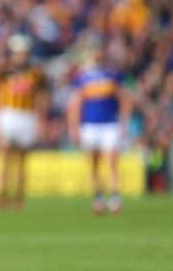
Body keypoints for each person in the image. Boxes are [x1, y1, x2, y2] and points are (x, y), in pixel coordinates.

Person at [67, 41, 133, 215]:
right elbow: (76, 104)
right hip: (89, 125)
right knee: (93, 163)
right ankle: (97, 197)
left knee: (111, 160)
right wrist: (74, 128)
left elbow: (125, 99)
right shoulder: (82, 77)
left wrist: (124, 123)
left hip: (109, 124)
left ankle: (114, 196)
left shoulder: (113, 75)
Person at [0, 34, 48, 211]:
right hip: (7, 115)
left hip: (27, 115)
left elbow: (41, 96)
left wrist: (42, 119)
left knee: (22, 159)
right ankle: (3, 193)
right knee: (5, 156)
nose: (21, 56)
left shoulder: (36, 72)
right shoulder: (2, 71)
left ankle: (19, 195)